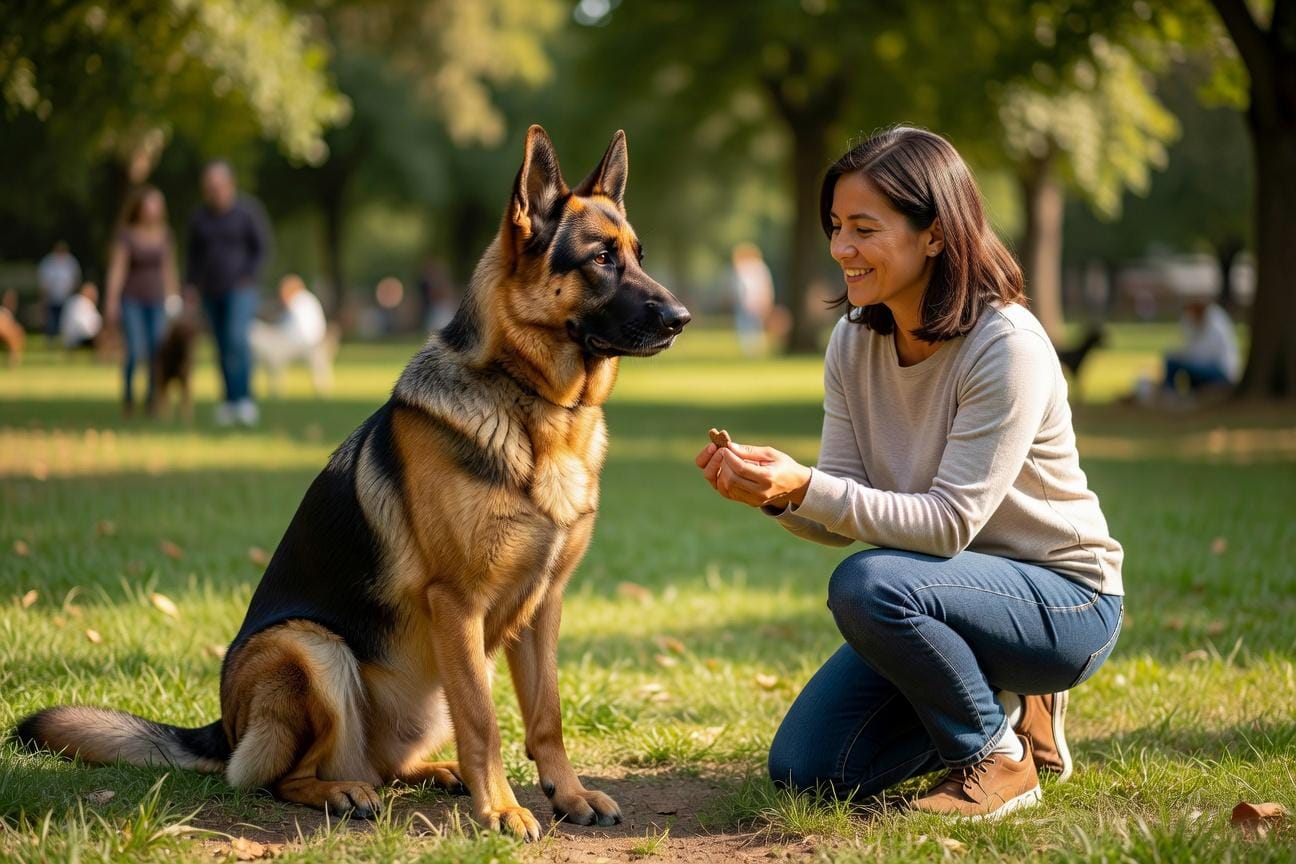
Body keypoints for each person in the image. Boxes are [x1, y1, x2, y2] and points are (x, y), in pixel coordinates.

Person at [695, 127, 1124, 820]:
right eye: (836, 226)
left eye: (864, 228)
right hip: (941, 597)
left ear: (934, 234)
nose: (841, 248)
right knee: (810, 769)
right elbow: (841, 508)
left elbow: (950, 524)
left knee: (867, 586)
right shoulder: (853, 342)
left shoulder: (1006, 346)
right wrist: (775, 495)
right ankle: (1012, 709)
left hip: (1064, 602)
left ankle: (998, 758)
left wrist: (806, 486)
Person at [187, 160, 271, 427]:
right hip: (211, 291)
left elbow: (262, 248)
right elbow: (193, 257)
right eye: (209, 187)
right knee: (222, 345)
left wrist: (250, 276)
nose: (214, 192)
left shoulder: (248, 212)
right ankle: (229, 400)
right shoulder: (199, 218)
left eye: (218, 186)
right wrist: (190, 285)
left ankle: (244, 398)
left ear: (230, 184)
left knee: (237, 339)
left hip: (241, 289)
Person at [104, 187, 178, 415]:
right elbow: (117, 270)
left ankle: (152, 400)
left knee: (157, 349)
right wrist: (112, 301)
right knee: (135, 349)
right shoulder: (127, 235)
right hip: (132, 299)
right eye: (149, 205)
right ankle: (128, 396)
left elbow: (168, 269)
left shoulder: (164, 234)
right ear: (140, 208)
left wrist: (173, 298)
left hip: (157, 301)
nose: (153, 210)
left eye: (157, 205)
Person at [249, 274, 334, 396]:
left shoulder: (297, 302)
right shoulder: (307, 300)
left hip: (301, 344)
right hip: (310, 343)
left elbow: (293, 331)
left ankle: (273, 388)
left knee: (263, 341)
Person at [1161, 295, 1239, 394]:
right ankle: (1174, 391)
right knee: (1174, 360)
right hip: (1205, 366)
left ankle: (1169, 392)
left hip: (1221, 371)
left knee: (1175, 363)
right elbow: (1189, 344)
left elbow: (1203, 355)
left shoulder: (1215, 321)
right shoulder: (1195, 321)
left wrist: (1183, 356)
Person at [731, 242, 775, 356]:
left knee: (752, 327)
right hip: (746, 303)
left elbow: (763, 287)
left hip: (754, 302)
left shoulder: (754, 268)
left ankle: (754, 350)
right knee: (748, 327)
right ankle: (751, 350)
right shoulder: (756, 268)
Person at [37, 241, 81, 345]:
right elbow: (44, 282)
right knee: (51, 320)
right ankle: (50, 340)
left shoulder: (71, 262)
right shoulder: (48, 262)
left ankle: (65, 340)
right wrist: (44, 297)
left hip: (67, 298)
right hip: (51, 298)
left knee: (65, 321)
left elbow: (76, 280)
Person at [60, 282, 103, 349]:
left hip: (69, 338)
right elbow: (87, 324)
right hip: (80, 338)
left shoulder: (73, 300)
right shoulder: (84, 302)